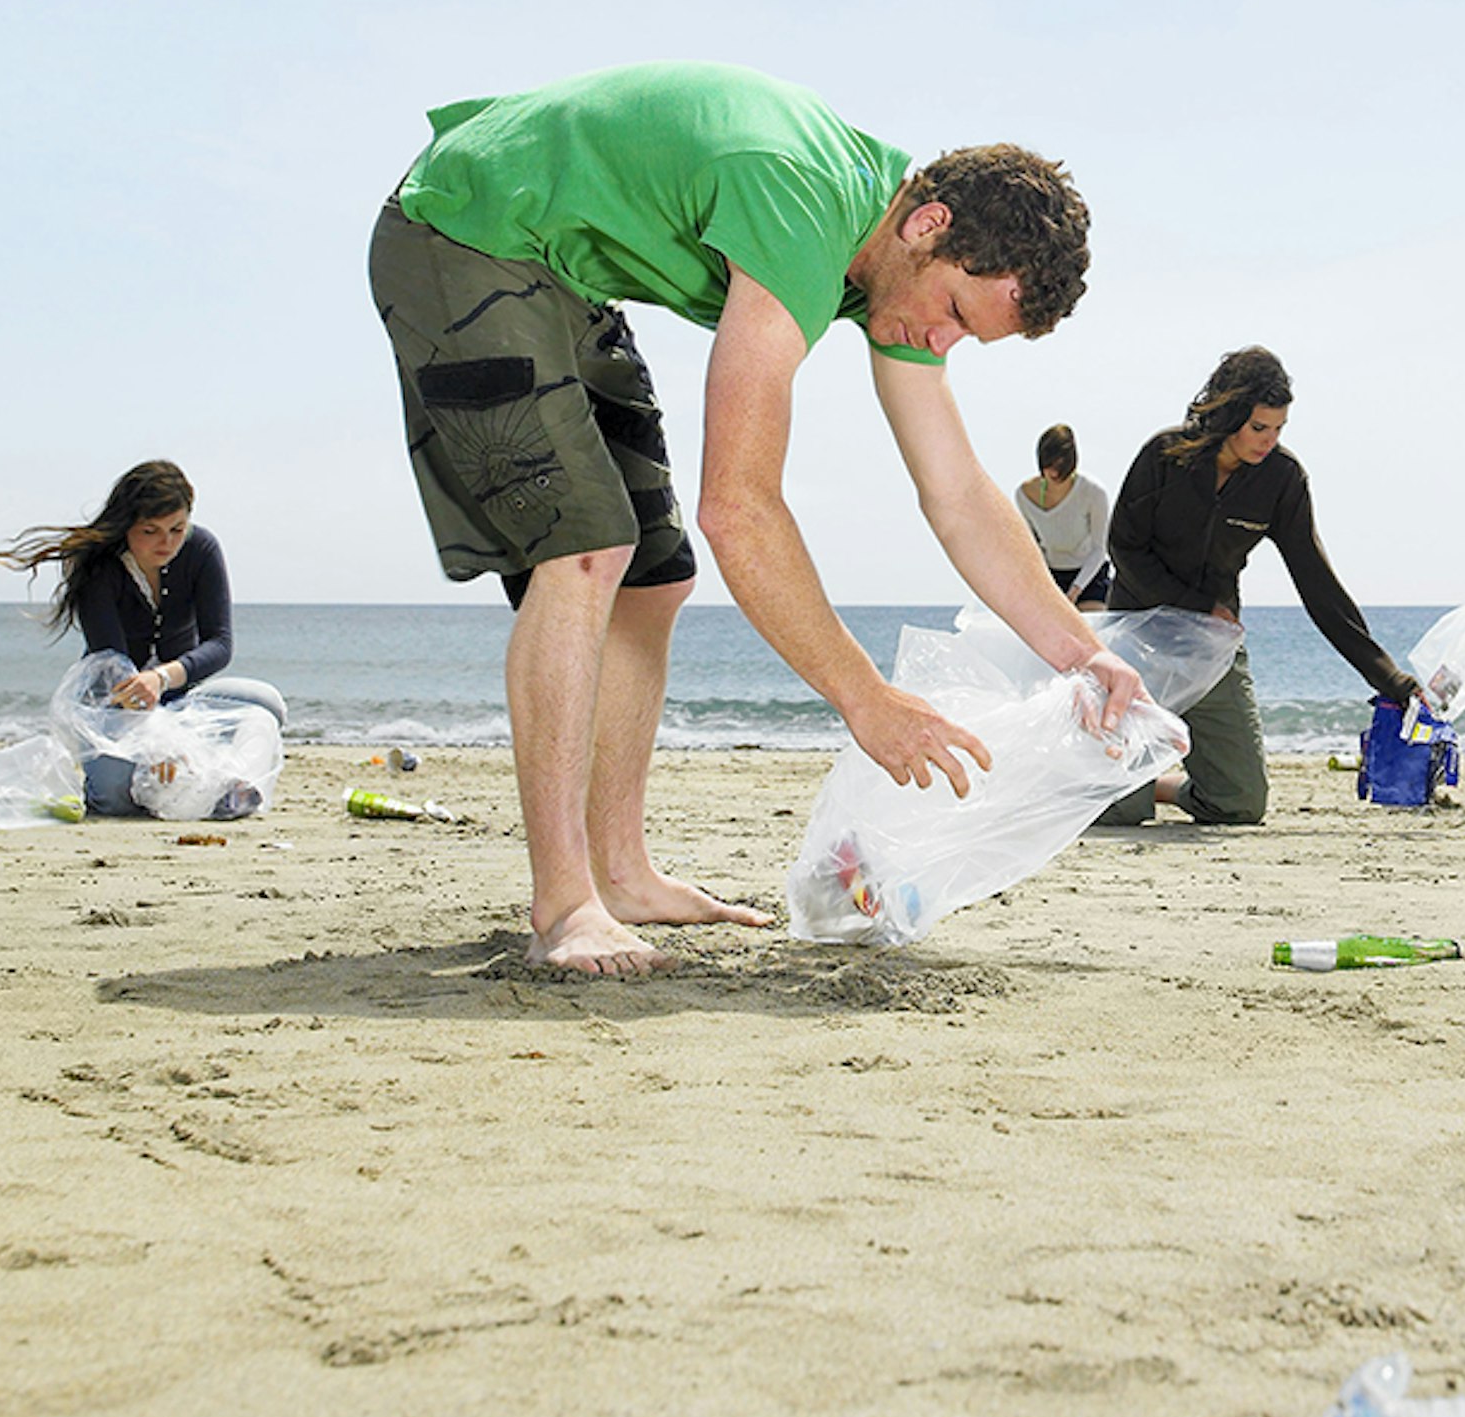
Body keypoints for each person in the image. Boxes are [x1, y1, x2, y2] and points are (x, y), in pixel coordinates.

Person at [370, 61, 1134, 974]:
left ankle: (620, 873)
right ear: (930, 227)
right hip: (463, 228)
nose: (944, 343)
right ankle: (565, 904)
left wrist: (1083, 653)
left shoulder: (885, 261)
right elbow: (738, 507)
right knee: (586, 549)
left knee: (655, 579)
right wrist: (866, 697)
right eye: (956, 315)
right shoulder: (801, 206)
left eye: (968, 338)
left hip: (561, 270)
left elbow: (959, 492)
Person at [1093, 347, 1416, 828]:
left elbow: (1317, 582)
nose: (1269, 441)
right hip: (1138, 637)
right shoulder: (1164, 456)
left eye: (1279, 428)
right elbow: (1124, 549)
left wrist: (1392, 680)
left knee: (1240, 804)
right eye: (1259, 428)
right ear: (1228, 415)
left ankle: (1163, 785)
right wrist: (1200, 603)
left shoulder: (1282, 479)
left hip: (1211, 646)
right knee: (1123, 812)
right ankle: (1122, 786)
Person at [0, 461, 288, 816]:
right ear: (126, 525)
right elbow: (110, 662)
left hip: (183, 699)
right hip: (115, 707)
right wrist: (157, 742)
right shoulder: (98, 567)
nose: (167, 542)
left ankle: (230, 789)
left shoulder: (201, 549)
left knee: (265, 706)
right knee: (114, 796)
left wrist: (162, 680)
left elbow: (220, 645)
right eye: (151, 530)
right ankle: (188, 785)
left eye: (177, 528)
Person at [1015, 425, 1112, 605]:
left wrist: (1075, 591)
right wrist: (1045, 586)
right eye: (1049, 465)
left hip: (1088, 576)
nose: (1054, 472)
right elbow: (1032, 546)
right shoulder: (1024, 494)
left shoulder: (1093, 492)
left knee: (1088, 626)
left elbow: (1099, 549)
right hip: (1050, 575)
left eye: (1061, 466)